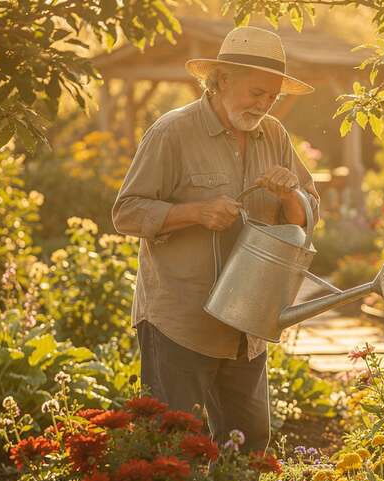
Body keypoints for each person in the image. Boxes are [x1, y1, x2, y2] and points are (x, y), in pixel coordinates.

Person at [112, 26, 320, 453]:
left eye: (272, 98)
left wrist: (290, 194)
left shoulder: (275, 136)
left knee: (250, 446)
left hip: (247, 322)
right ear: (222, 79)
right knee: (171, 448)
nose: (263, 105)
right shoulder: (173, 132)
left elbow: (307, 216)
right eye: (256, 92)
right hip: (180, 321)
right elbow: (126, 212)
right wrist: (196, 213)